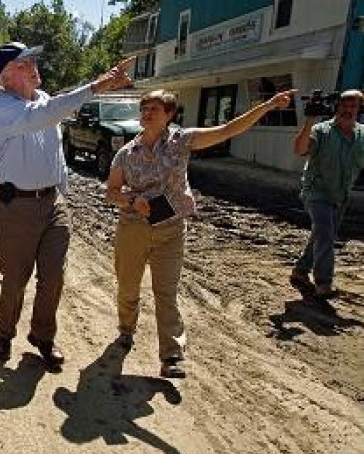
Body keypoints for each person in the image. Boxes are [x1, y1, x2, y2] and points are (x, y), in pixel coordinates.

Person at [106, 88, 294, 378]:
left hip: (171, 230)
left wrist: (266, 107)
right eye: (144, 108)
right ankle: (126, 329)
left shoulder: (182, 141)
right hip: (133, 229)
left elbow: (228, 129)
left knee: (166, 293)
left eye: (154, 109)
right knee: (128, 287)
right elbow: (111, 193)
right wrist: (133, 200)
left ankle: (171, 355)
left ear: (169, 115)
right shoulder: (125, 153)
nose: (146, 113)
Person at [0, 41, 134, 368]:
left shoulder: (42, 99)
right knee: (15, 279)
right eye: (25, 63)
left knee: (53, 277)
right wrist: (98, 85)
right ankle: (4, 333)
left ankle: (42, 334)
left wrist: (63, 192)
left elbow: (55, 151)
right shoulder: (2, 108)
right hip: (16, 208)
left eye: (33, 60)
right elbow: (44, 115)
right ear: (7, 75)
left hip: (52, 202)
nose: (34, 66)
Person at [290, 89, 364, 298]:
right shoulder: (321, 130)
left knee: (322, 235)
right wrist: (310, 118)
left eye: (353, 106)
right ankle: (324, 282)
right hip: (317, 191)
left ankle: (300, 271)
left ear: (358, 109)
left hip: (341, 194)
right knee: (325, 234)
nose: (348, 110)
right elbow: (300, 149)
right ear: (336, 107)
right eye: (344, 106)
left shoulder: (362, 135)